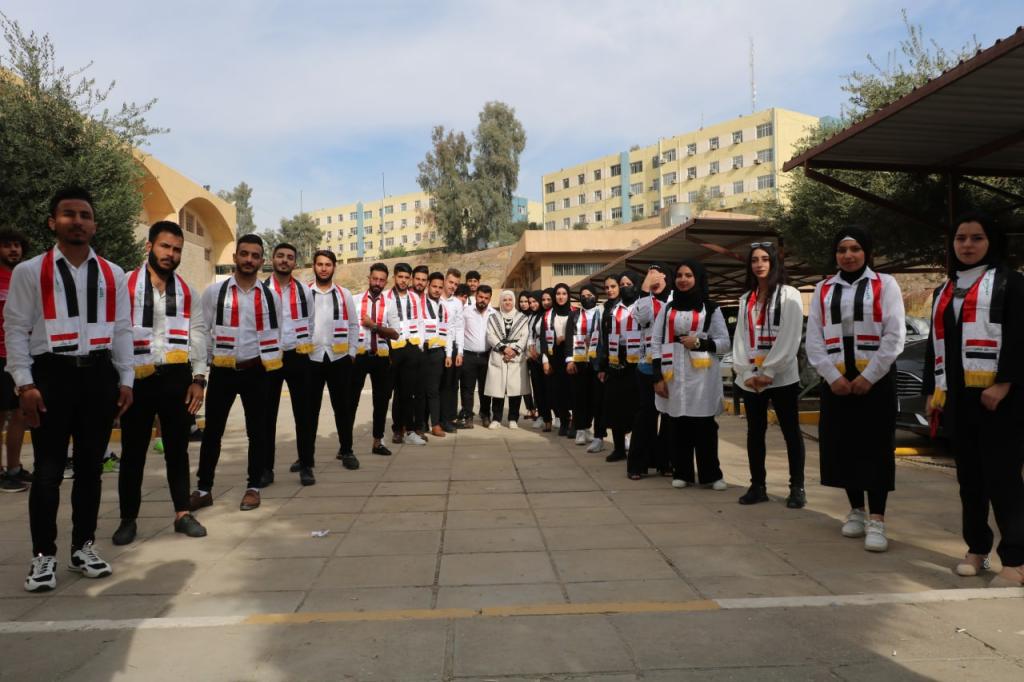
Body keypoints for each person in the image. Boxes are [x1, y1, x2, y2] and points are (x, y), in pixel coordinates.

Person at [5, 187, 134, 592]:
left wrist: (126, 379)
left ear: (94, 225)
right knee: (47, 472)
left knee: (91, 470)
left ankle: (83, 547)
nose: (77, 221)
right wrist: (24, 382)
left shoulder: (113, 273)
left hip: (98, 375)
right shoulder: (31, 271)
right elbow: (15, 328)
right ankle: (43, 555)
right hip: (51, 376)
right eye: (68, 214)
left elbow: (122, 330)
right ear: (53, 222)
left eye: (84, 215)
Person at [924, 212, 1024, 586]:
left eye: (976, 238)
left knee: (1003, 479)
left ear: (991, 242)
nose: (967, 245)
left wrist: (1003, 384)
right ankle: (977, 548)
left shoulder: (1012, 283)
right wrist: (932, 392)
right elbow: (936, 344)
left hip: (999, 399)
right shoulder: (944, 290)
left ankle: (1016, 558)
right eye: (961, 238)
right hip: (957, 398)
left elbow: (1020, 337)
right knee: (970, 480)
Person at [806, 227, 904, 553]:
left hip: (875, 381)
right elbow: (814, 338)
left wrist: (870, 376)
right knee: (843, 446)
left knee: (875, 448)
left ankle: (877, 519)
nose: (848, 255)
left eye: (855, 249)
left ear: (867, 252)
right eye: (842, 249)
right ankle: (856, 511)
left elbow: (894, 335)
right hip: (837, 382)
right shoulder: (823, 289)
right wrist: (832, 376)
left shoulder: (885, 284)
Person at [113, 221, 207, 545]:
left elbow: (198, 334)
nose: (171, 254)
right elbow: (115, 332)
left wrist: (199, 379)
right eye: (165, 246)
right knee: (133, 452)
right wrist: (118, 380)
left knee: (177, 450)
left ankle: (182, 514)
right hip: (136, 379)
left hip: (176, 378)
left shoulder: (187, 291)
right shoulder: (125, 284)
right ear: (149, 246)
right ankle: (128, 520)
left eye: (177, 249)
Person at [191, 234, 283, 513]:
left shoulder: (270, 296)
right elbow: (201, 332)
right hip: (223, 371)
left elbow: (276, 333)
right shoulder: (214, 293)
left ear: (262, 261)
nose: (249, 260)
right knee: (213, 432)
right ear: (235, 257)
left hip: (256, 370)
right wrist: (202, 370)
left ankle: (253, 487)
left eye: (255, 256)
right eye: (244, 254)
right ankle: (204, 489)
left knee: (258, 432)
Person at [732, 243, 807, 508]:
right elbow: (740, 338)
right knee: (755, 432)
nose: (760, 264)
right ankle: (758, 486)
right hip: (752, 378)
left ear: (774, 262)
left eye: (765, 259)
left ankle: (797, 487)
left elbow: (790, 335)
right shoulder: (746, 299)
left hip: (781, 376)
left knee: (790, 431)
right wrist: (746, 372)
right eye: (755, 260)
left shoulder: (789, 294)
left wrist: (770, 370)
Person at [651, 261, 731, 488]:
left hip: (702, 376)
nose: (683, 279)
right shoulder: (668, 309)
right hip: (673, 374)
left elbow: (724, 343)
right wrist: (657, 377)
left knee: (705, 426)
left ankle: (711, 475)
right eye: (679, 275)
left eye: (688, 275)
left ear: (698, 278)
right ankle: (682, 473)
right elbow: (655, 343)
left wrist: (700, 342)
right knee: (678, 425)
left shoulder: (711, 308)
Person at [263, 242, 315, 487]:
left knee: (304, 414)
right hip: (270, 357)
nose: (285, 260)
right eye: (280, 256)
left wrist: (302, 345)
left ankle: (306, 465)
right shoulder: (261, 290)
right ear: (272, 259)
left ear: (295, 262)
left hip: (297, 355)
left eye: (290, 257)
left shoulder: (304, 291)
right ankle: (265, 468)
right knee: (266, 415)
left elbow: (311, 321)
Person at [306, 250, 359, 477]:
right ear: (314, 266)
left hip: (339, 358)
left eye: (328, 264)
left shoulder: (344, 294)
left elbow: (354, 324)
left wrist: (352, 351)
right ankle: (306, 456)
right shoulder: (305, 293)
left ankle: (347, 450)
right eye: (320, 264)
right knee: (309, 411)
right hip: (312, 358)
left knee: (343, 408)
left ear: (334, 267)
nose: (324, 268)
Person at [344, 263, 399, 462]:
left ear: (386, 282)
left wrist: (374, 326)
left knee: (381, 401)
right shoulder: (355, 300)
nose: (377, 283)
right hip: (358, 356)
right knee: (351, 401)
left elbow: (395, 333)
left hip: (381, 357)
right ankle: (345, 446)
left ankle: (378, 441)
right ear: (369, 278)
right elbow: (348, 327)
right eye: (374, 279)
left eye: (381, 280)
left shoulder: (390, 304)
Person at [628, 264, 673, 477]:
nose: (653, 278)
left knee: (669, 417)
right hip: (647, 366)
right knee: (646, 416)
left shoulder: (675, 300)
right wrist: (645, 289)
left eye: (658, 274)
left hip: (671, 366)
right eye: (649, 275)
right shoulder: (644, 301)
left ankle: (665, 461)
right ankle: (638, 464)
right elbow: (643, 317)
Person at [0, 228, 31, 493]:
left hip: (20, 357)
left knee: (21, 413)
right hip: (0, 356)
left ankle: (14, 468)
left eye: (17, 245)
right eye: (8, 245)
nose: (14, 250)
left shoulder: (22, 278)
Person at [598, 273, 638, 462]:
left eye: (629, 283)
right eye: (622, 284)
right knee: (614, 406)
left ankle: (637, 449)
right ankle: (619, 448)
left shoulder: (642, 306)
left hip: (636, 360)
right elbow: (606, 338)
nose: (624, 287)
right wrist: (603, 366)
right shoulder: (613, 309)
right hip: (615, 359)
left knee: (635, 407)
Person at [385, 262, 427, 445]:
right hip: (394, 348)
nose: (403, 280)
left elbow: (420, 322)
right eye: (400, 277)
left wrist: (420, 345)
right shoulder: (386, 297)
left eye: (406, 277)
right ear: (394, 277)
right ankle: (397, 430)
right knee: (397, 391)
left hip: (411, 347)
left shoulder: (414, 298)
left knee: (409, 391)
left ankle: (410, 429)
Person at [485, 290, 531, 428]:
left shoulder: (522, 318)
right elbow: (490, 335)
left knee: (515, 389)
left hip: (516, 357)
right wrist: (504, 349)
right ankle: (496, 419)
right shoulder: (493, 317)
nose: (507, 302)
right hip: (499, 354)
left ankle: (513, 419)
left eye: (510, 299)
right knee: (497, 390)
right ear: (501, 301)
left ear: (514, 301)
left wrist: (514, 350)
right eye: (504, 300)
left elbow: (525, 336)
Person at [567, 284, 603, 449]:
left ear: (596, 296)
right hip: (579, 360)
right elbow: (569, 337)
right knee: (579, 397)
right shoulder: (574, 315)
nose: (586, 298)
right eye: (583, 296)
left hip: (596, 361)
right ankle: (580, 429)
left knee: (596, 398)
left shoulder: (601, 312)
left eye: (589, 295)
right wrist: (569, 360)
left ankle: (594, 430)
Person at [455, 285, 495, 428]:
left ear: (490, 299)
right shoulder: (466, 312)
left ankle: (485, 414)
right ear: (476, 296)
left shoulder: (494, 314)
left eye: (486, 298)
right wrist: (459, 352)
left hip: (486, 356)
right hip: (468, 355)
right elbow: (459, 332)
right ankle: (468, 416)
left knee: (486, 388)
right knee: (467, 388)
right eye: (480, 297)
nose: (483, 300)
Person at [421, 271, 453, 437]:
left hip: (437, 353)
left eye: (440, 287)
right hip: (421, 351)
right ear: (428, 285)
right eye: (434, 286)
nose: (437, 290)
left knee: (434, 390)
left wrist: (448, 354)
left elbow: (448, 332)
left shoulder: (444, 307)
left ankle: (435, 424)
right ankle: (421, 423)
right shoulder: (419, 303)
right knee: (420, 390)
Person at [541, 283, 575, 437]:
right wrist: (545, 361)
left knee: (573, 390)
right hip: (555, 356)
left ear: (568, 295)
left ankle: (575, 423)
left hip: (573, 356)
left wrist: (566, 339)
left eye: (564, 293)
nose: (561, 297)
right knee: (558, 391)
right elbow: (543, 339)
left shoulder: (575, 312)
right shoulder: (548, 315)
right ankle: (563, 421)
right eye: (558, 294)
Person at [438, 268, 463, 432]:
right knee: (437, 385)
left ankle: (448, 418)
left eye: (456, 284)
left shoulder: (457, 303)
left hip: (452, 347)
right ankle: (436, 419)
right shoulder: (434, 299)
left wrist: (460, 351)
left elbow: (459, 328)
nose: (453, 286)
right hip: (437, 345)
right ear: (445, 281)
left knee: (451, 385)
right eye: (450, 282)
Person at [527, 289, 552, 431]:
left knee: (549, 388)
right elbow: (531, 333)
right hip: (534, 356)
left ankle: (555, 417)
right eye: (530, 302)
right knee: (538, 389)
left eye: (535, 302)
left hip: (546, 354)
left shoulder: (547, 315)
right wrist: (531, 348)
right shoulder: (533, 316)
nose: (532, 304)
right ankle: (543, 415)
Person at [517, 291, 538, 421]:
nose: (524, 304)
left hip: (533, 354)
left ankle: (537, 408)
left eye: (526, 302)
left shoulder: (534, 315)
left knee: (535, 383)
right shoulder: (518, 316)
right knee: (524, 383)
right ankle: (530, 409)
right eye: (521, 302)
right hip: (521, 354)